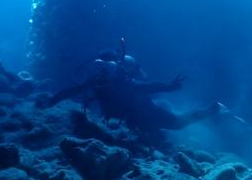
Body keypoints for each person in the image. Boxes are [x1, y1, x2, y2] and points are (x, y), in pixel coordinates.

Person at [43, 45, 223, 134]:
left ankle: (212, 109)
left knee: (177, 124)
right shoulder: (94, 82)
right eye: (99, 66)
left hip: (145, 113)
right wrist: (52, 100)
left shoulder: (125, 83)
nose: (103, 72)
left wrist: (170, 87)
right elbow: (72, 90)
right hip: (125, 121)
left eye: (109, 67)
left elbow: (148, 86)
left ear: (116, 68)